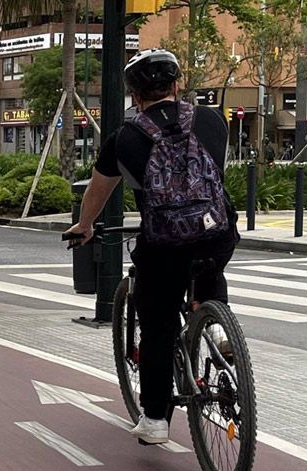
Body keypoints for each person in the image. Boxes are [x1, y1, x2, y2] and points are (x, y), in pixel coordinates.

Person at [64, 49, 239, 445]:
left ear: (135, 96)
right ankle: (217, 324)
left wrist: (84, 226)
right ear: (176, 85)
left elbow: (98, 191)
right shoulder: (211, 120)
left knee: (158, 323)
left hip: (164, 245)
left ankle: (156, 419)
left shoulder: (124, 138)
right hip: (216, 231)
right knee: (210, 262)